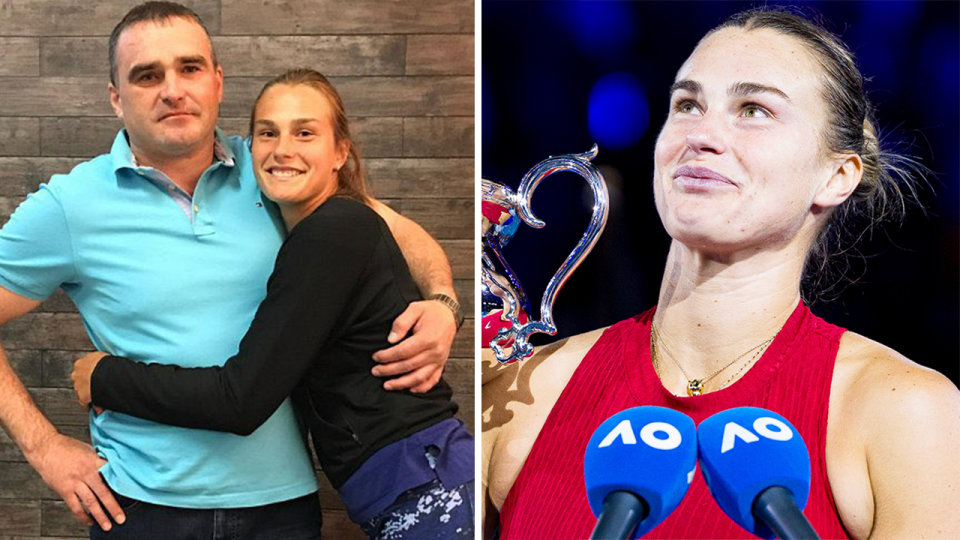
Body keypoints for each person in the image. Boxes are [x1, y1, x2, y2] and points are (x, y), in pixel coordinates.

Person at [482, 6, 960, 540]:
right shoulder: (525, 392)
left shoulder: (902, 411)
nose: (701, 135)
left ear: (836, 175)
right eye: (687, 104)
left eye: (753, 109)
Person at [0, 2, 461, 538]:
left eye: (189, 68)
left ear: (218, 83)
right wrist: (44, 447)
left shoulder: (275, 169)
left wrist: (444, 304)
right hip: (142, 507)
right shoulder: (68, 206)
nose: (173, 89)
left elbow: (396, 231)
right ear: (115, 98)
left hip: (283, 507)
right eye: (147, 76)